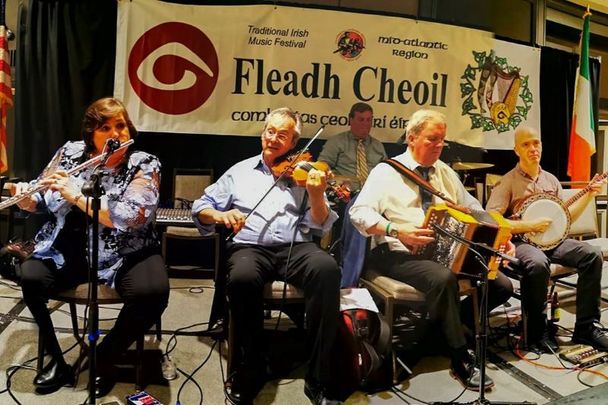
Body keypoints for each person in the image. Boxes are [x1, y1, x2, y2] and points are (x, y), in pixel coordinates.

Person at [11, 97, 169, 396]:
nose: (116, 133)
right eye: (105, 127)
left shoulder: (144, 163)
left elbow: (131, 216)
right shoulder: (71, 153)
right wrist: (26, 198)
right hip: (67, 245)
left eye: (120, 125)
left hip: (125, 250)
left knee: (153, 293)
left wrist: (76, 196)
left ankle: (104, 357)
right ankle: (57, 361)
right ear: (91, 134)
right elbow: (43, 197)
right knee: (31, 277)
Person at [349, 109, 513, 391]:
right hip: (397, 251)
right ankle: (460, 355)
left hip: (444, 251)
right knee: (443, 280)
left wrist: (497, 235)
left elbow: (473, 207)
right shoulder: (385, 172)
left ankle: (436, 333)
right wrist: (396, 230)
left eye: (442, 141)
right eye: (432, 139)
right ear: (412, 138)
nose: (439, 146)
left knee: (500, 283)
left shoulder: (444, 172)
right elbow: (358, 212)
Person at [192, 107, 341, 404]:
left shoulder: (306, 175)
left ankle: (319, 375)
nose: (273, 139)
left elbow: (321, 223)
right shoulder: (239, 171)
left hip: (295, 247)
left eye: (282, 135)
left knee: (327, 269)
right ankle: (251, 365)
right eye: (269, 131)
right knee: (242, 277)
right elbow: (200, 207)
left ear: (293, 144)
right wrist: (221, 215)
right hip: (250, 246)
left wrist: (315, 195)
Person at [486, 126, 608, 353]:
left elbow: (566, 216)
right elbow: (492, 219)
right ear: (516, 150)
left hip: (553, 242)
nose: (533, 149)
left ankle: (586, 327)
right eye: (526, 144)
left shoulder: (551, 180)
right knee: (538, 263)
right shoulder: (508, 181)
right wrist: (527, 225)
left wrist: (590, 194)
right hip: (521, 243)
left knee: (592, 255)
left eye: (536, 143)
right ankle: (535, 333)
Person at [318, 102, 387, 191]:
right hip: (345, 195)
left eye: (369, 120)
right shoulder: (336, 142)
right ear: (351, 119)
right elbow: (322, 166)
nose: (365, 124)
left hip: (372, 194)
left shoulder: (378, 146)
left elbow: (386, 171)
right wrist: (335, 184)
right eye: (361, 120)